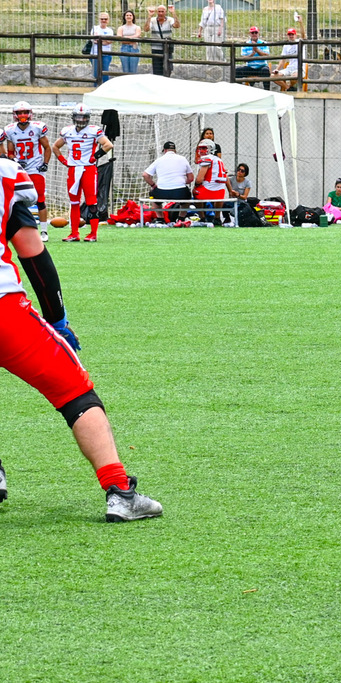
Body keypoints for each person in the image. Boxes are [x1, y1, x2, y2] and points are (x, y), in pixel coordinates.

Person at [0, 158, 163, 522]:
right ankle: (120, 491)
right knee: (75, 392)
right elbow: (33, 253)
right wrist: (57, 319)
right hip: (4, 311)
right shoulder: (6, 174)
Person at [52, 105, 112, 242]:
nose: (81, 120)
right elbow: (55, 146)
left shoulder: (94, 130)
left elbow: (108, 145)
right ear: (73, 117)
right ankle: (74, 233)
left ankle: (93, 233)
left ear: (88, 118)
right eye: (78, 117)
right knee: (74, 202)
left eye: (84, 117)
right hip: (73, 169)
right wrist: (63, 160)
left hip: (88, 169)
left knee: (92, 202)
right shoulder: (67, 131)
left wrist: (94, 157)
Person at [4, 102, 52, 241]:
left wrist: (45, 163)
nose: (23, 115)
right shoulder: (10, 130)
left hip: (35, 168)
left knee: (40, 199)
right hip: (19, 169)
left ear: (30, 113)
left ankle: (44, 232)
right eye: (20, 113)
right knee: (15, 200)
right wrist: (15, 161)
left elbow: (47, 147)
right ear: (15, 115)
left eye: (25, 112)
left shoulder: (37, 127)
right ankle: (17, 230)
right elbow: (10, 152)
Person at [142, 141, 194, 223]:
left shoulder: (159, 160)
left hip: (162, 192)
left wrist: (153, 185)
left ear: (165, 150)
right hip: (180, 192)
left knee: (152, 194)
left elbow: (145, 175)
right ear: (175, 150)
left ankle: (160, 218)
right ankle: (181, 218)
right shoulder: (183, 159)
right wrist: (182, 183)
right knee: (187, 195)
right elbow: (191, 178)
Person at [193, 139, 228, 224]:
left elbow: (199, 179)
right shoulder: (219, 160)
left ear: (211, 149)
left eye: (204, 148)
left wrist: (196, 185)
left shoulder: (207, 158)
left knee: (195, 192)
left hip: (208, 191)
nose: (201, 151)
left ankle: (202, 217)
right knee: (219, 194)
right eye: (200, 148)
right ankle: (217, 217)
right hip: (220, 192)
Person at [271, 17, 306, 92]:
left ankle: (291, 88)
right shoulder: (286, 46)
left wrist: (301, 23)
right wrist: (277, 69)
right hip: (289, 68)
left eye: (292, 34)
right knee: (273, 76)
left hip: (299, 68)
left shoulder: (299, 42)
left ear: (295, 35)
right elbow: (283, 60)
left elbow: (303, 35)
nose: (291, 36)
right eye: (289, 34)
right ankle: (288, 88)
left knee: (294, 76)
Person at [143, 5, 179, 77]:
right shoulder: (152, 20)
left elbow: (177, 25)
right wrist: (149, 16)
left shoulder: (170, 20)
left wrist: (173, 13)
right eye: (159, 11)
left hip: (167, 48)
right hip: (156, 48)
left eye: (162, 11)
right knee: (157, 70)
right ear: (157, 12)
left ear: (165, 12)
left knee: (168, 68)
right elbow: (146, 29)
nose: (161, 13)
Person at [90, 12, 114, 84]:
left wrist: (100, 41)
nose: (103, 20)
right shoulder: (95, 28)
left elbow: (109, 41)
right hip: (95, 53)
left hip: (106, 54)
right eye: (102, 19)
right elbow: (93, 40)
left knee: (105, 71)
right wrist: (104, 41)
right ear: (99, 19)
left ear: (108, 20)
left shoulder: (110, 30)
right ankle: (96, 87)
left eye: (105, 19)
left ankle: (105, 87)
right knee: (96, 72)